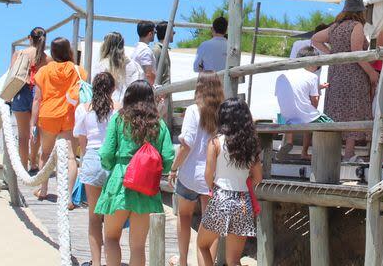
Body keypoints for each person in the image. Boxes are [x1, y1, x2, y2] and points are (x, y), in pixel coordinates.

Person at [95, 80, 175, 266]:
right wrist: (154, 170)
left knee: (111, 237)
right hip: (146, 186)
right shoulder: (159, 125)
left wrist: (110, 165)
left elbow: (106, 152)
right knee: (138, 246)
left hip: (119, 181)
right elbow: (168, 157)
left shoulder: (119, 119)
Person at [312, 0, 379, 162]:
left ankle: (332, 152)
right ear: (360, 11)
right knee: (353, 111)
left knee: (337, 110)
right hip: (353, 75)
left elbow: (315, 40)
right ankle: (349, 153)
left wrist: (333, 55)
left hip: (336, 74)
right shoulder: (356, 25)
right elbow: (356, 51)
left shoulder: (335, 27)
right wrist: (371, 72)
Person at [196, 98, 262, 266]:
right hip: (243, 201)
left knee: (202, 245)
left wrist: (214, 188)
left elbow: (208, 176)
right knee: (233, 260)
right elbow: (258, 177)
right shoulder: (251, 145)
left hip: (221, 197)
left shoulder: (216, 142)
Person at [169, 72, 224, 266]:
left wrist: (174, 168)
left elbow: (187, 144)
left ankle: (183, 260)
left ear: (199, 86)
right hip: (213, 175)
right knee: (211, 226)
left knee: (183, 216)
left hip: (190, 174)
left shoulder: (194, 110)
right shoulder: (222, 112)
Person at [31, 37, 82, 202]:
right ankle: (68, 198)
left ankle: (44, 190)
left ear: (52, 52)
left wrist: (33, 123)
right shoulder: (77, 70)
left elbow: (37, 99)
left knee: (45, 153)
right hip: (69, 115)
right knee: (70, 157)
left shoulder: (43, 71)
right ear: (69, 51)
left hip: (48, 115)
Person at [74, 71, 115, 266]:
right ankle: (111, 260)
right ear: (113, 89)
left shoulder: (83, 109)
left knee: (94, 217)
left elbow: (82, 143)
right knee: (111, 217)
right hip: (112, 162)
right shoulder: (117, 110)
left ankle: (96, 262)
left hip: (91, 159)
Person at [275, 46, 333, 160]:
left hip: (286, 118)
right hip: (306, 118)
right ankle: (324, 155)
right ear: (312, 62)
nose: (317, 67)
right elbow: (314, 102)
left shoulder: (282, 76)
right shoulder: (312, 77)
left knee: (300, 112)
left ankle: (288, 141)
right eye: (317, 64)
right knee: (331, 125)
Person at [9, 26, 50, 173]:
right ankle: (33, 162)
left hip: (21, 92)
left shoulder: (19, 54)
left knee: (23, 135)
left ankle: (22, 166)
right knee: (36, 131)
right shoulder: (47, 59)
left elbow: (12, 74)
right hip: (39, 95)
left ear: (29, 38)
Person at [94, 32, 145, 106]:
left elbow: (97, 89)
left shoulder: (102, 65)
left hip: (107, 108)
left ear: (106, 46)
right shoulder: (135, 66)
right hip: (129, 108)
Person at [150, 21, 173, 86]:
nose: (174, 33)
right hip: (160, 94)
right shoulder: (157, 50)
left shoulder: (164, 50)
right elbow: (153, 74)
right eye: (172, 31)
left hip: (165, 92)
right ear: (167, 33)